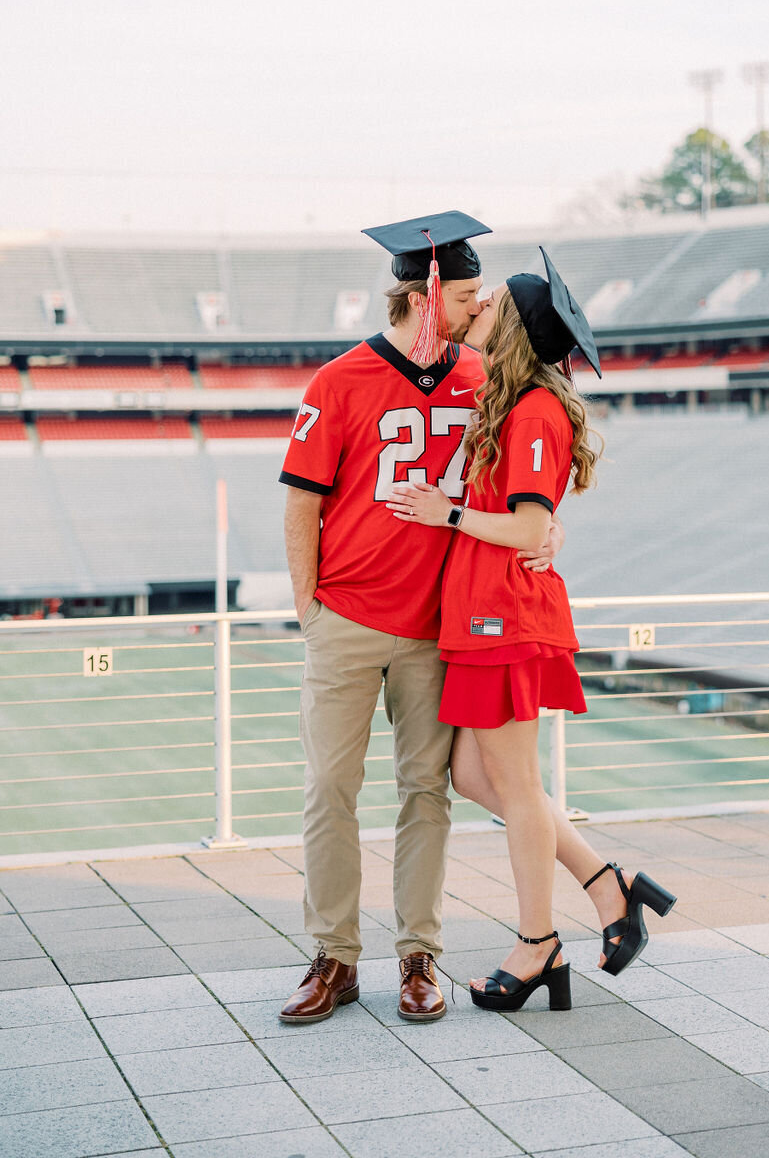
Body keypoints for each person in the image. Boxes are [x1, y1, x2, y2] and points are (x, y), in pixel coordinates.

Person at [276, 211, 561, 1028]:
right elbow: (302, 500)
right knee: (329, 786)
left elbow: (531, 474)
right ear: (425, 294)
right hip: (350, 615)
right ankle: (333, 955)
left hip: (443, 627)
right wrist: (310, 609)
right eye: (469, 295)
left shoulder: (490, 376)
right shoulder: (339, 381)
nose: (480, 310)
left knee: (426, 792)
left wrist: (554, 525)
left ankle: (418, 955)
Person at [389, 251, 676, 1012]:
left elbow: (527, 527)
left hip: (506, 617)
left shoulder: (534, 411)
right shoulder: (507, 402)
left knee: (514, 787)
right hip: (482, 616)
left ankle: (538, 943)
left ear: (511, 326)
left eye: (485, 309)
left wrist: (444, 513)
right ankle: (607, 887)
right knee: (475, 775)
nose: (474, 310)